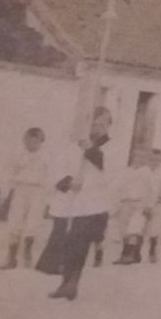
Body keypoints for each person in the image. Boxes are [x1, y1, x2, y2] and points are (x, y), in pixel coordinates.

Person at [36, 107, 114, 301]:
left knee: (81, 243)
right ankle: (64, 282)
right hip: (69, 202)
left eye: (103, 124)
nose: (98, 127)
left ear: (109, 126)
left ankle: (73, 283)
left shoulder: (112, 147)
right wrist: (68, 182)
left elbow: (110, 172)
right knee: (67, 242)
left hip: (92, 205)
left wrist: (90, 151)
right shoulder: (73, 147)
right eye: (94, 123)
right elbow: (56, 169)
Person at [0, 126, 51, 270]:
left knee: (33, 222)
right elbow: (9, 176)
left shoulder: (45, 158)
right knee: (15, 221)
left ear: (41, 142)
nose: (32, 144)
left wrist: (48, 200)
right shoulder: (18, 156)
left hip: (38, 191)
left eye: (36, 141)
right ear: (24, 141)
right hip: (21, 189)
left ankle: (28, 252)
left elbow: (49, 178)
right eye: (29, 141)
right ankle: (11, 257)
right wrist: (4, 194)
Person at [114, 148, 161, 265]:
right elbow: (118, 187)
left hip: (140, 203)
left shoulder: (147, 172)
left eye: (142, 158)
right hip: (126, 203)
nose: (139, 160)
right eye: (137, 157)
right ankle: (130, 254)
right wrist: (117, 202)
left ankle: (128, 254)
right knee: (124, 229)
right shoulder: (126, 171)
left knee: (135, 228)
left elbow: (153, 190)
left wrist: (150, 204)